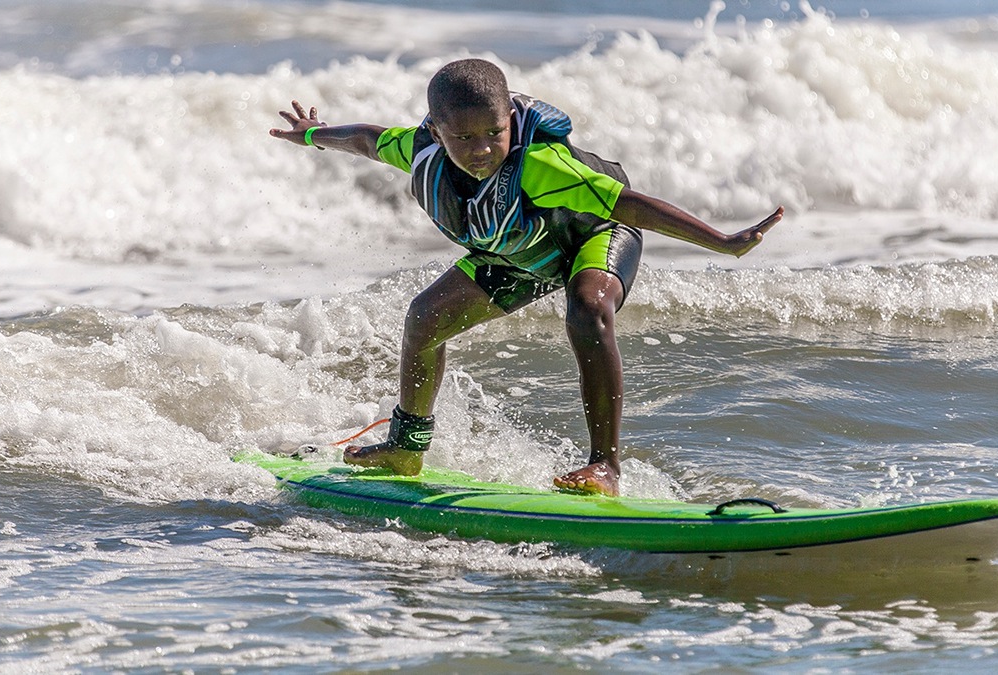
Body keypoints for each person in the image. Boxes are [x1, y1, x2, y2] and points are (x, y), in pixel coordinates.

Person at [270, 58, 782, 497]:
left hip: (594, 236)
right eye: (463, 138)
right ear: (436, 130)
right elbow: (364, 139)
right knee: (425, 318)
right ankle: (406, 447)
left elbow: (629, 204)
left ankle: (605, 465)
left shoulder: (540, 164)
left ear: (510, 120)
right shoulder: (418, 150)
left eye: (494, 133)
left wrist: (722, 242)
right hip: (520, 254)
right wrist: (312, 134)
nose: (481, 149)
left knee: (588, 308)